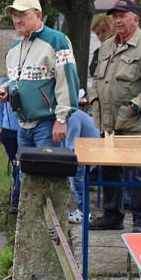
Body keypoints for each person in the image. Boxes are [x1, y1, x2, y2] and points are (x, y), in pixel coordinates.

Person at [89, 0, 141, 232]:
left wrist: (134, 106)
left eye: (123, 15)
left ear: (135, 18)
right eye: (115, 16)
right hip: (107, 120)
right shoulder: (106, 46)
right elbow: (97, 78)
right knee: (109, 169)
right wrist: (94, 99)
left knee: (138, 172)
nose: (118, 20)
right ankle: (113, 215)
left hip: (133, 122)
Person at [0, 0, 79, 148]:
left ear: (38, 15)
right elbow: (17, 80)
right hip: (22, 125)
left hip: (47, 124)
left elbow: (67, 81)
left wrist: (61, 120)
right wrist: (6, 89)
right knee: (25, 171)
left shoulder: (57, 40)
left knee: (45, 171)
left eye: (23, 15)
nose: (17, 20)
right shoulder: (15, 47)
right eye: (14, 15)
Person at [60, 91, 100, 224]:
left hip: (86, 154)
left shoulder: (72, 117)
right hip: (87, 151)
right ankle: (82, 210)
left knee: (77, 182)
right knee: (77, 182)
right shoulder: (76, 114)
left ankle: (84, 212)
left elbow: (72, 145)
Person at [0, 80, 21, 213]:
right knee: (15, 164)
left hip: (25, 131)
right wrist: (0, 128)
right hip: (8, 132)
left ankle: (16, 200)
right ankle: (15, 198)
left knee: (20, 166)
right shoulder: (4, 83)